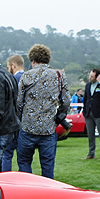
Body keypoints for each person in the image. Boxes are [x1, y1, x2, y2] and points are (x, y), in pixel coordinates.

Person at [16, 44, 68, 179]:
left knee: (24, 162)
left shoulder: (27, 76)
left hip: (28, 128)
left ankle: (28, 191)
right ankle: (48, 194)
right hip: (49, 129)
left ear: (33, 60)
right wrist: (58, 118)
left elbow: (19, 103)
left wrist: (22, 119)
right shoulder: (59, 76)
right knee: (48, 166)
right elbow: (66, 102)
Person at [82, 67, 100, 159]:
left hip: (99, 113)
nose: (90, 78)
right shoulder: (88, 85)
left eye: (92, 76)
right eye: (90, 76)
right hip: (88, 113)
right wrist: (84, 110)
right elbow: (85, 98)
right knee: (90, 135)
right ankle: (91, 153)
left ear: (97, 77)